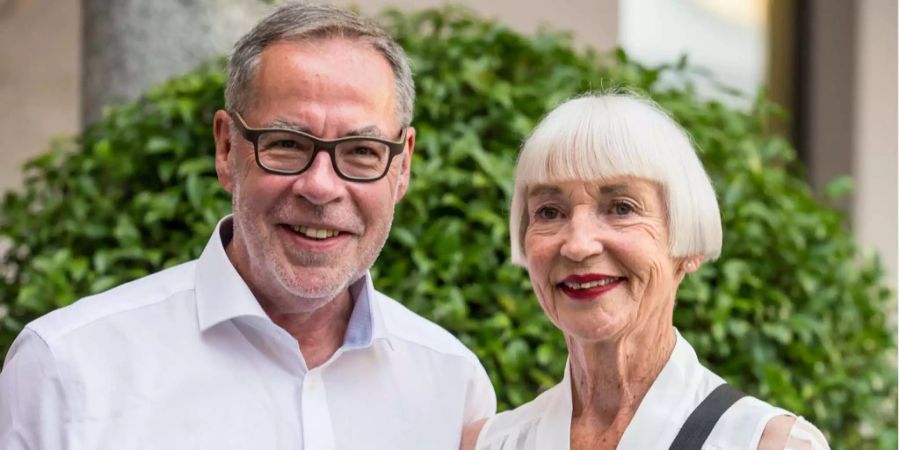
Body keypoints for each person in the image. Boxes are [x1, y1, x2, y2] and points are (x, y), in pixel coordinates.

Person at [0, 3, 495, 449]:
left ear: (402, 166)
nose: (320, 187)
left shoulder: (453, 388)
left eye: (361, 152)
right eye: (286, 144)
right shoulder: (66, 369)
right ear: (226, 148)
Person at [461, 94, 828, 450]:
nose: (578, 244)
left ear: (687, 242)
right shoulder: (490, 443)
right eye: (550, 212)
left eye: (621, 208)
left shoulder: (767, 444)